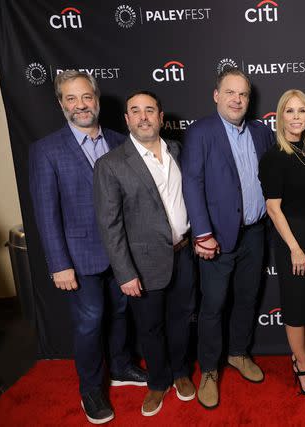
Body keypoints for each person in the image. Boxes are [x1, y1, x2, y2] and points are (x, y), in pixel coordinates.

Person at [29, 71, 147, 424]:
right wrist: (58, 263)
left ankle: (122, 366)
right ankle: (91, 389)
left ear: (96, 99)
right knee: (91, 320)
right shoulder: (46, 150)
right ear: (61, 103)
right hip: (79, 257)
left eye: (86, 97)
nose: (81, 105)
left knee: (122, 312)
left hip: (122, 252)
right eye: (71, 98)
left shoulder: (119, 141)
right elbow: (46, 212)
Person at [93, 91, 197, 417]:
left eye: (149, 110)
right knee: (150, 327)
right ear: (126, 120)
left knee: (181, 320)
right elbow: (110, 225)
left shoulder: (179, 151)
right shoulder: (110, 165)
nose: (143, 117)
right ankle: (157, 381)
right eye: (135, 111)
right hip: (143, 262)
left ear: (161, 116)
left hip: (184, 254)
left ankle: (180, 373)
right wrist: (125, 273)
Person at [181, 68, 275, 409]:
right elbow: (191, 182)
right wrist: (203, 234)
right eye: (230, 93)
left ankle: (238, 353)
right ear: (216, 95)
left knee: (247, 299)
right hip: (216, 238)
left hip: (254, 233)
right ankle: (208, 369)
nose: (237, 99)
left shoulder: (261, 132)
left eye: (243, 95)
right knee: (213, 305)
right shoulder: (201, 132)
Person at [258, 89, 305, 397]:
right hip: (293, 238)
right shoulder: (274, 157)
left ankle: (301, 357)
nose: (296, 117)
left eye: (302, 111)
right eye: (290, 111)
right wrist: (295, 248)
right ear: (280, 116)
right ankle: (302, 366)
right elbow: (273, 208)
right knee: (296, 308)